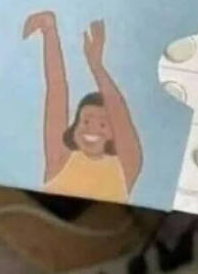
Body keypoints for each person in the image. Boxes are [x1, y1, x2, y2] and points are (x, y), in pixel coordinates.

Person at [23, 11, 142, 202]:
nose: (92, 128)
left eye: (103, 124)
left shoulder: (126, 166)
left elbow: (119, 114)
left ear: (114, 134)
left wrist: (97, 66)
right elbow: (56, 89)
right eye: (85, 121)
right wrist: (49, 30)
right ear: (75, 127)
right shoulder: (61, 159)